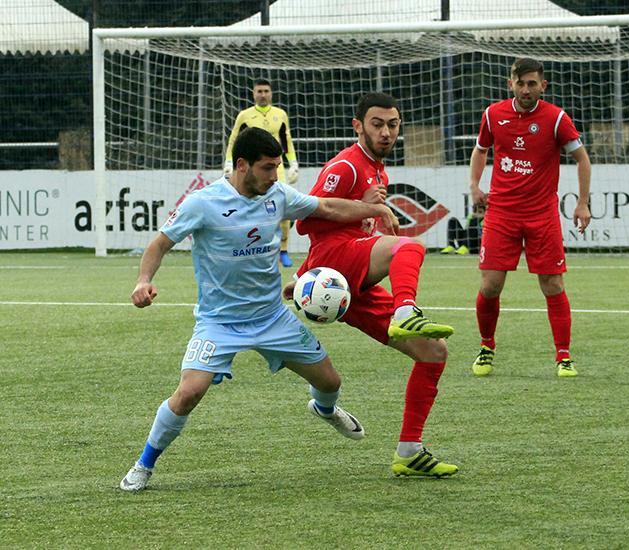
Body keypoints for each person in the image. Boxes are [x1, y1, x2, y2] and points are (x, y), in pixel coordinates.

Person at [120, 127, 399, 492]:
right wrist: (143, 281)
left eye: (277, 167)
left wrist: (374, 208)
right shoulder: (203, 203)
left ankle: (325, 409)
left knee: (331, 383)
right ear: (242, 165)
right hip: (219, 323)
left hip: (272, 317)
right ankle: (143, 464)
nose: (274, 176)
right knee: (188, 393)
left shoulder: (278, 195)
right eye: (267, 168)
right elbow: (159, 243)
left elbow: (328, 207)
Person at [284, 92, 458, 478]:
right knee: (409, 247)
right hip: (337, 260)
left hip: (350, 284)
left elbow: (352, 224)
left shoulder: (379, 171)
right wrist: (370, 206)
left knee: (434, 352)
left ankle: (409, 451)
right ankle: (406, 310)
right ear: (358, 126)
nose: (386, 132)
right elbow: (306, 220)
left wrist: (301, 275)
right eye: (377, 124)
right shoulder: (346, 165)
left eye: (392, 125)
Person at [468, 57, 591, 378]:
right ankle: (486, 346)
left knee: (552, 284)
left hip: (542, 215)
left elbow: (582, 159)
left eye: (532, 83)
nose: (525, 89)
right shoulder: (493, 115)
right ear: (510, 84)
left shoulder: (556, 118)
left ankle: (563, 356)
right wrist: (475, 185)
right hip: (501, 214)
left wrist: (582, 203)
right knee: (490, 285)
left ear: (543, 86)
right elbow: (481, 149)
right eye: (520, 83)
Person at [225, 78, 299, 268]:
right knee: (250, 207)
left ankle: (283, 250)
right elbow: (234, 140)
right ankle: (252, 248)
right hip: (252, 168)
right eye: (259, 91)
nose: (263, 95)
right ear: (253, 94)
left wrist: (293, 163)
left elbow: (286, 140)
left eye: (266, 91)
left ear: (271, 93)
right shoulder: (244, 116)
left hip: (276, 167)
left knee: (282, 206)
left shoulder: (280, 114)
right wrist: (229, 162)